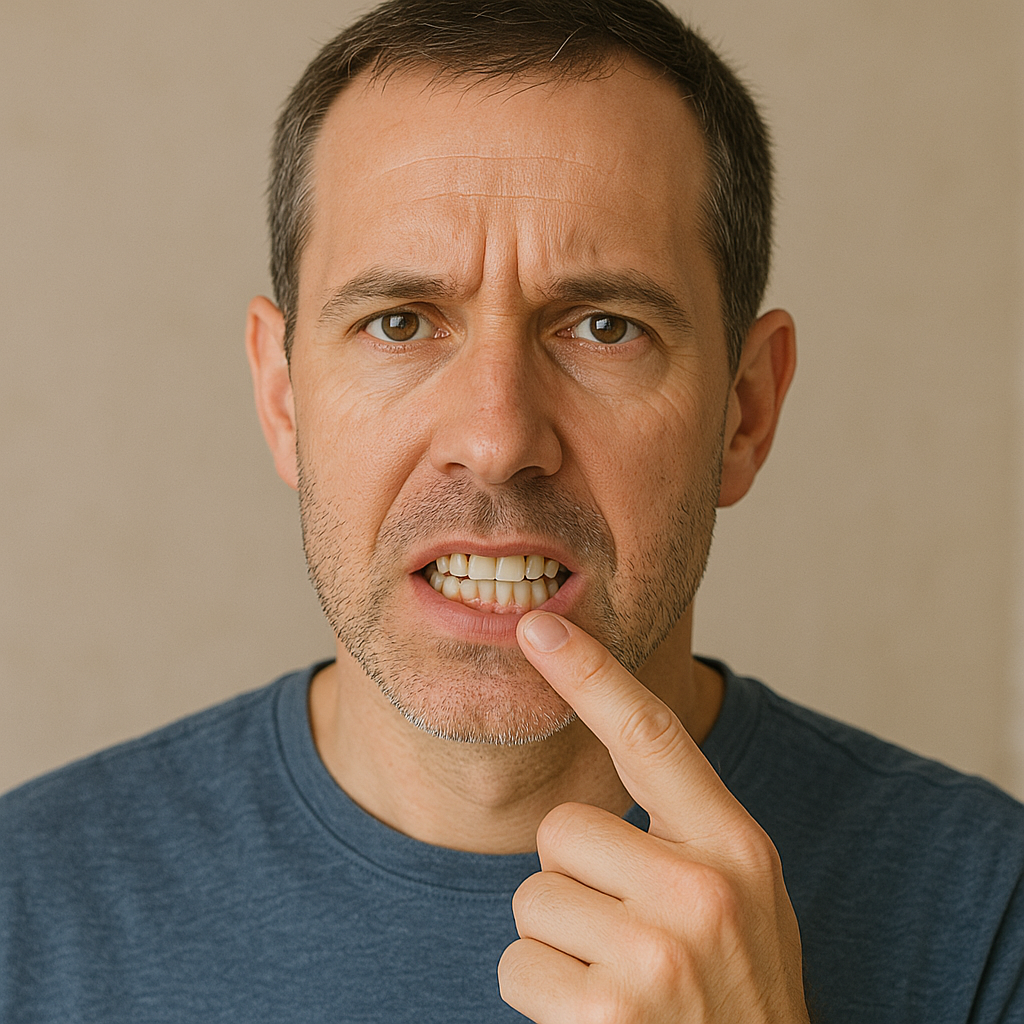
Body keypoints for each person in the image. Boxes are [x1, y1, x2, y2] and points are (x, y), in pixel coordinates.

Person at [2, 0, 1022, 1020]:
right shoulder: (24, 912)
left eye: (603, 326)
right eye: (398, 322)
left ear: (744, 411)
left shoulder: (990, 918)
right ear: (282, 398)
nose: (496, 439)